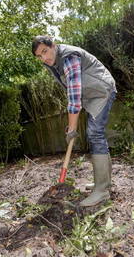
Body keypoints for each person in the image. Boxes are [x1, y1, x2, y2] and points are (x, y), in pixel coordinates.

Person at [32, 35, 117, 207]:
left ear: (53, 45)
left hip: (102, 91)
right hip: (91, 95)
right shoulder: (52, 63)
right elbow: (70, 90)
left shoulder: (69, 57)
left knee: (94, 134)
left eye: (45, 51)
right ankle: (104, 183)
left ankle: (102, 191)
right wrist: (71, 125)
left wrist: (72, 129)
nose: (44, 58)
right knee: (96, 134)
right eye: (39, 56)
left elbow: (74, 96)